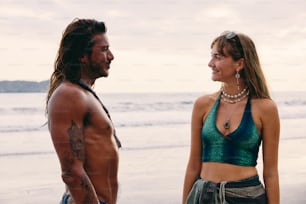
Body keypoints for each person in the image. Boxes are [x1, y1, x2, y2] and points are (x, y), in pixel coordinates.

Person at [182, 31, 280, 204]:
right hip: (203, 196)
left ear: (239, 64)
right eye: (211, 57)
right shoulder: (203, 105)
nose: (210, 63)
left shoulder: (265, 108)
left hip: (245, 197)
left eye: (217, 57)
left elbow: (271, 173)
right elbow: (193, 165)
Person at [46, 18, 121, 204]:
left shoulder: (84, 94)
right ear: (82, 55)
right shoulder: (69, 95)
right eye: (104, 50)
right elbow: (71, 172)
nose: (111, 56)